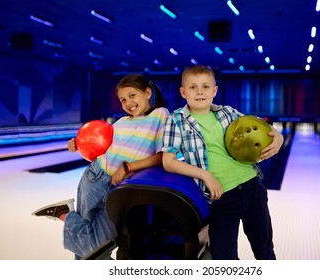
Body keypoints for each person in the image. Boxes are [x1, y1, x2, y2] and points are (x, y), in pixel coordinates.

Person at [32, 73, 170, 259]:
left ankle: (65, 214)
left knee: (98, 245)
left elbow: (161, 156)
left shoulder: (160, 115)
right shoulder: (120, 123)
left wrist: (128, 167)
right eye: (122, 99)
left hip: (121, 187)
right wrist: (78, 144)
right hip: (96, 177)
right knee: (85, 249)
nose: (128, 102)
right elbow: (101, 145)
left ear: (147, 93)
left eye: (132, 95)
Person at [161, 65, 284, 260]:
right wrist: (205, 175)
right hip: (220, 198)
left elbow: (262, 127)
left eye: (205, 86)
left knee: (265, 251)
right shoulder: (176, 121)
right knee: (223, 260)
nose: (200, 91)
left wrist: (279, 138)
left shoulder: (227, 112)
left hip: (252, 188)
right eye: (193, 87)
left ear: (214, 90)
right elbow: (168, 161)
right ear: (183, 92)